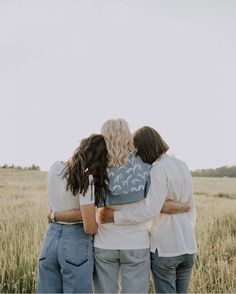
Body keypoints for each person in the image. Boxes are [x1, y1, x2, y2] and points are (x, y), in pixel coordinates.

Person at [52, 119, 189, 293]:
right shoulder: (146, 164)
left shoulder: (97, 165)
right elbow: (154, 203)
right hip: (136, 243)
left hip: (104, 243)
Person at [100, 126, 198, 294]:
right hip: (189, 245)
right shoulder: (182, 165)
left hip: (165, 247)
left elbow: (151, 210)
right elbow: (188, 206)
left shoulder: (157, 169)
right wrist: (180, 207)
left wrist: (116, 217)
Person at [37, 134, 108, 293]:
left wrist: (55, 216)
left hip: (50, 239)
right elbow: (89, 228)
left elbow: (59, 209)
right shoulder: (86, 178)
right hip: (75, 243)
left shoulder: (55, 167)